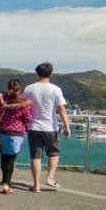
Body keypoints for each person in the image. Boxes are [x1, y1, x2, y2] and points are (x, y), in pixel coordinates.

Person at [23, 62, 71, 192]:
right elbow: (61, 109)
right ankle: (50, 178)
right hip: (51, 127)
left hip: (33, 127)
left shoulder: (29, 88)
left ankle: (36, 185)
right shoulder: (55, 89)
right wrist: (67, 127)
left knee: (36, 157)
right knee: (54, 153)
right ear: (51, 74)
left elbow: (24, 107)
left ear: (37, 73)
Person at [0, 79, 33, 194]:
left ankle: (4, 183)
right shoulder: (24, 102)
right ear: (20, 89)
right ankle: (6, 184)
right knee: (11, 160)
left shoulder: (0, 100)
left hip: (2, 132)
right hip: (17, 134)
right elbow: (28, 119)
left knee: (4, 157)